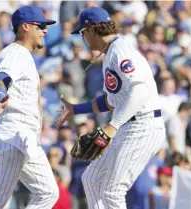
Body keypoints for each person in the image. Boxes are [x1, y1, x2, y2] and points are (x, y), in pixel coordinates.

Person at [56, 7, 165, 209]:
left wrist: (113, 126)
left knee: (113, 191)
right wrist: (76, 109)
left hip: (143, 125)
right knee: (92, 179)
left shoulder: (120, 51)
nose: (83, 39)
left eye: (81, 33)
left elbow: (140, 93)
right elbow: (111, 102)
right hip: (131, 125)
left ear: (90, 30)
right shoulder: (111, 52)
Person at [0, 6, 59, 209]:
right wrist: (0, 96)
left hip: (19, 135)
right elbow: (2, 78)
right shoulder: (15, 53)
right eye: (41, 26)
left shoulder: (22, 55)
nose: (45, 30)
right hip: (13, 133)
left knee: (44, 193)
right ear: (26, 27)